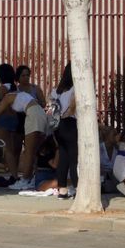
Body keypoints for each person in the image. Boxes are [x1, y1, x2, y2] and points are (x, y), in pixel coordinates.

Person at [50, 64, 79, 198]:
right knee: (74, 159)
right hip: (71, 124)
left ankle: (62, 189)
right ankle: (78, 187)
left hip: (58, 126)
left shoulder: (56, 91)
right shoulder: (75, 89)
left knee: (63, 157)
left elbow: (52, 107)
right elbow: (73, 108)